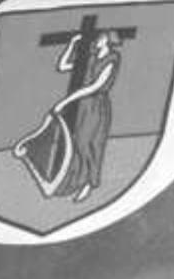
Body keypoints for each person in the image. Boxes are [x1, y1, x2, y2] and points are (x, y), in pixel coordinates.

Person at [12, 30, 122, 203]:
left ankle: (88, 184)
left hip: (96, 107)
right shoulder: (91, 58)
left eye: (101, 38)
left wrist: (66, 101)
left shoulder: (112, 60)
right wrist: (71, 45)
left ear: (107, 41)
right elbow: (62, 66)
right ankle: (76, 179)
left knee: (90, 144)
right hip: (82, 106)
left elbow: (94, 87)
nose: (98, 40)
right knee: (78, 142)